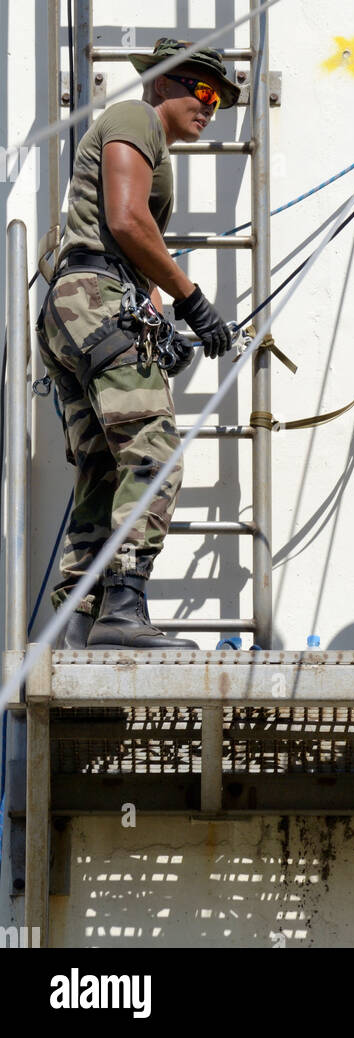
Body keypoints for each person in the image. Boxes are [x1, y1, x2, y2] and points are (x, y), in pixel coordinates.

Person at [36, 37, 239, 650]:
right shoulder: (134, 117)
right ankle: (123, 610)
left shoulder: (150, 139)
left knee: (105, 466)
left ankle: (84, 619)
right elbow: (125, 220)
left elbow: (125, 242)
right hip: (94, 300)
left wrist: (161, 320)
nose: (210, 106)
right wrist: (192, 300)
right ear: (162, 83)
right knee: (153, 456)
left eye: (220, 101)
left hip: (85, 308)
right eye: (202, 90)